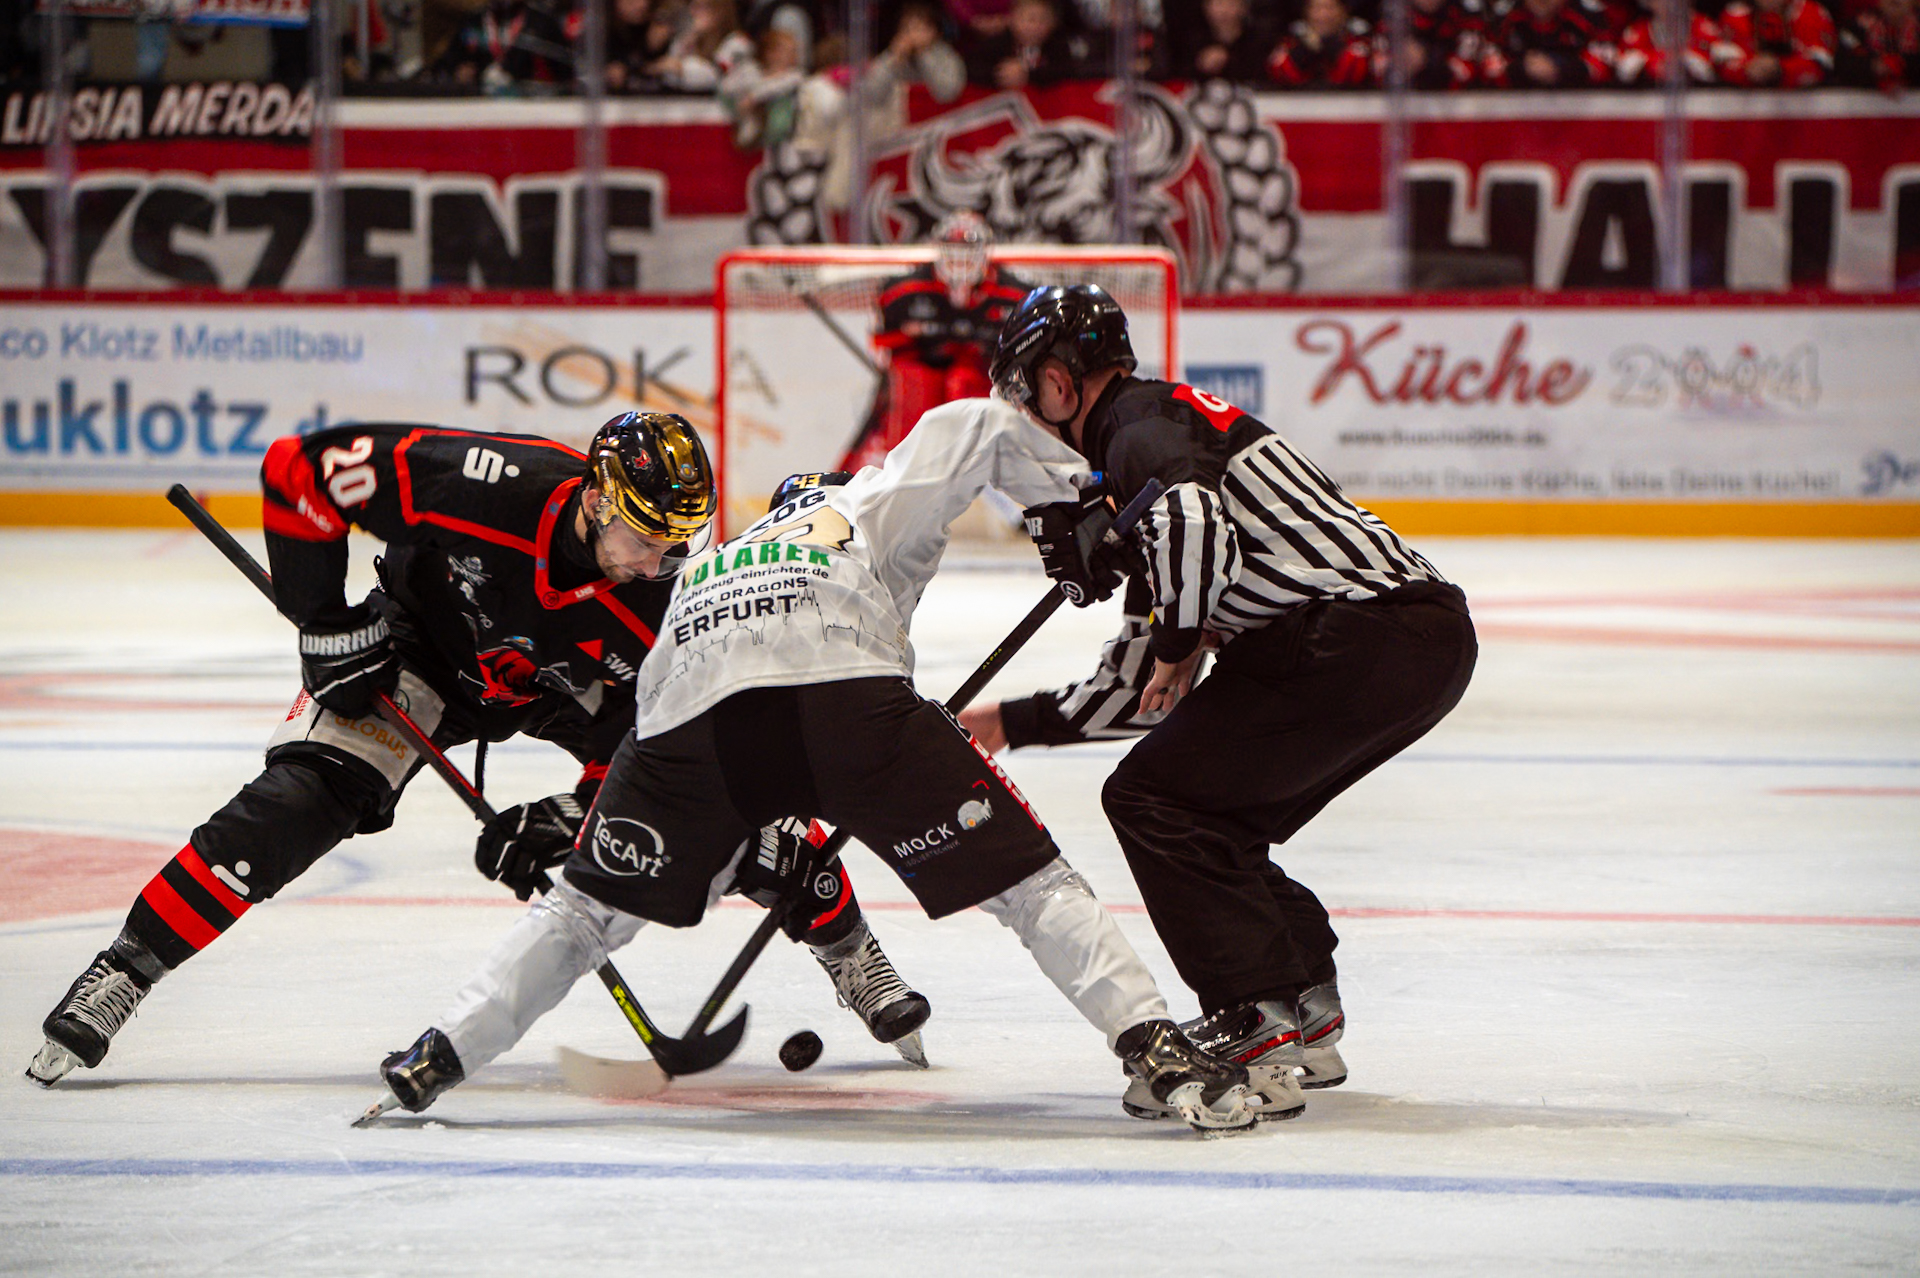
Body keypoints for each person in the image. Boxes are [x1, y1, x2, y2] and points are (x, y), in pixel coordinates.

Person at [371, 397, 1261, 1136]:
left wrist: (600, 826)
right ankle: (1155, 1045)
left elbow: (652, 713)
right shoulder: (863, 502)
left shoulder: (707, 565)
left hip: (693, 714)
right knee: (1032, 885)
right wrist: (1077, 505)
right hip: (845, 688)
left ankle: (438, 1055)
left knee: (583, 912)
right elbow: (974, 426)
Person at [26, 412, 929, 1087]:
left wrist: (568, 820)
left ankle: (847, 944)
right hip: (420, 650)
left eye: (675, 543)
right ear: (597, 499)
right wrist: (325, 624)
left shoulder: (659, 605)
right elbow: (298, 468)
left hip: (566, 691)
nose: (657, 562)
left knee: (728, 819)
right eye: (643, 537)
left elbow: (661, 757)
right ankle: (125, 970)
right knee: (298, 802)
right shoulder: (488, 485)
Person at [966, 285, 1478, 1121]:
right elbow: (1140, 692)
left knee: (1154, 802)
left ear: (1059, 384)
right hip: (1418, 638)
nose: (1030, 411)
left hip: (1352, 636)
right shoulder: (1159, 447)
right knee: (1204, 812)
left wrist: (1179, 640)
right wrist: (1004, 724)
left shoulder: (1136, 427)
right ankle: (1303, 1004)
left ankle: (1254, 1016)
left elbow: (1192, 524)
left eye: (1029, 389)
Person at [842, 210, 1033, 473]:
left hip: (981, 375)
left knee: (965, 382)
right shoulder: (902, 291)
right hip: (923, 372)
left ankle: (983, 463)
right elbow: (882, 347)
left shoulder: (1015, 295)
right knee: (911, 379)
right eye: (953, 250)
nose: (960, 260)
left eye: (967, 250)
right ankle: (904, 465)